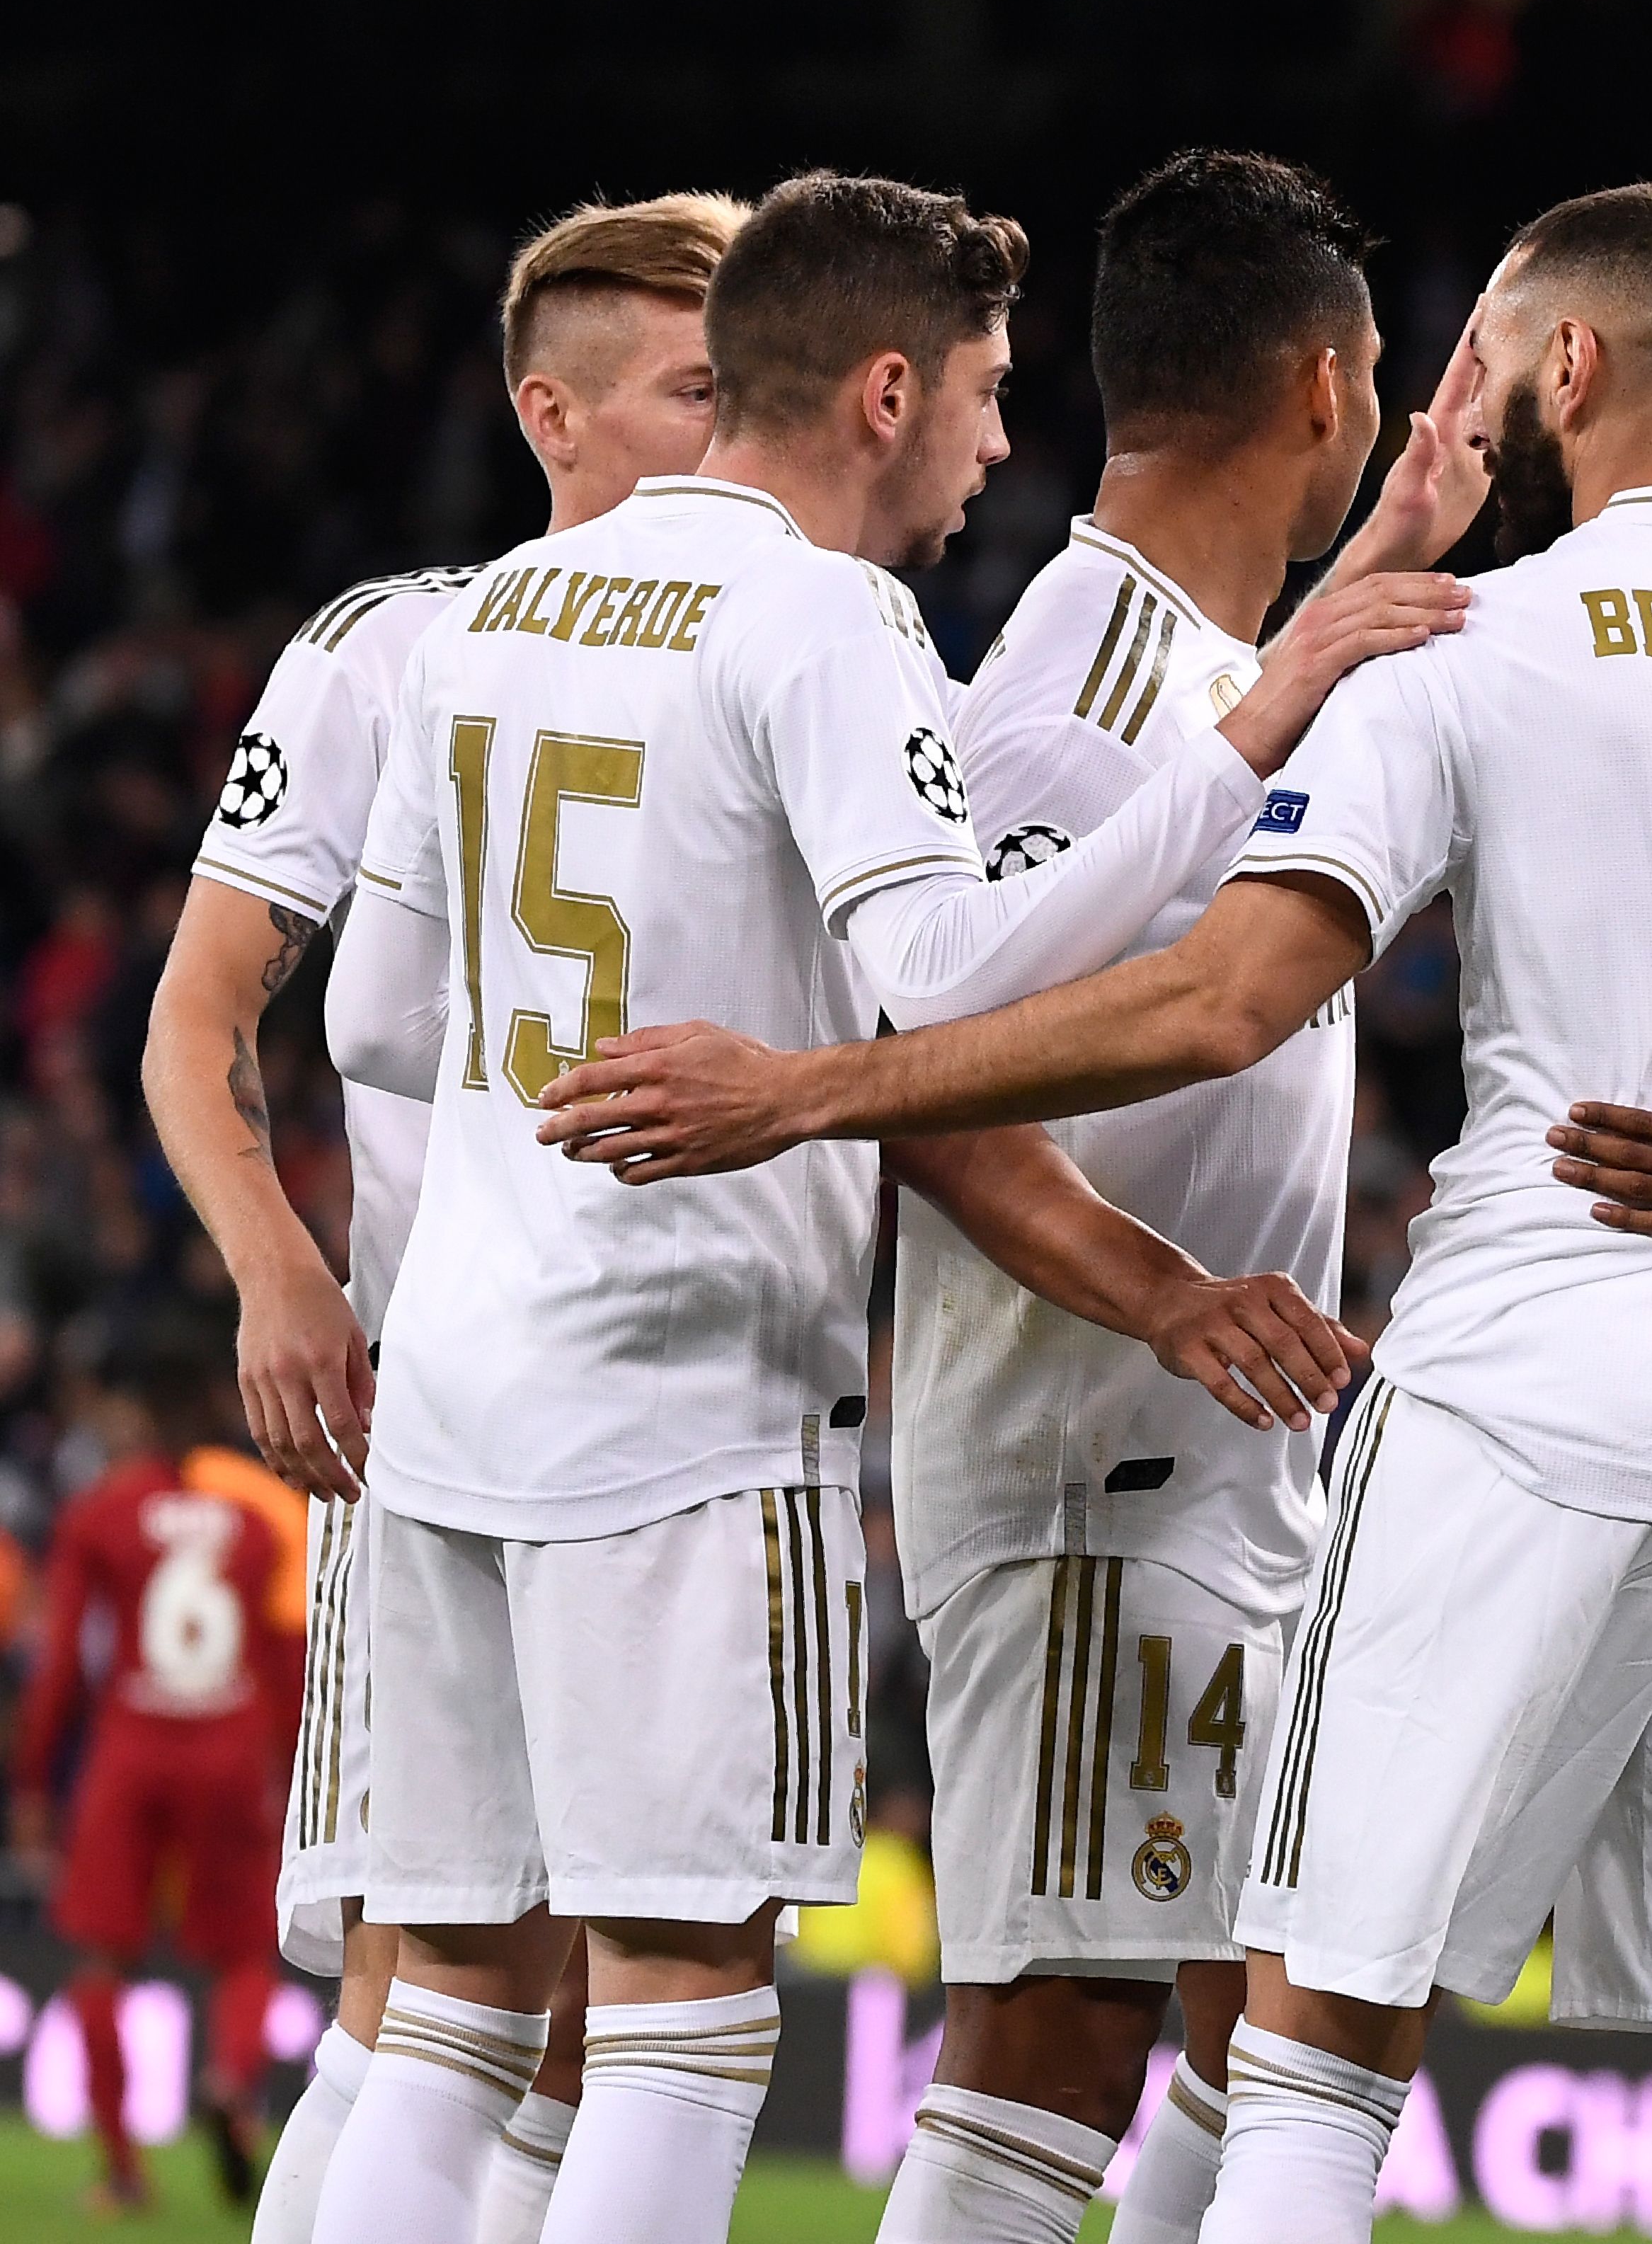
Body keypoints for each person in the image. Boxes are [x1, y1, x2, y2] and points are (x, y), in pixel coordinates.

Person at [522, 181, 1652, 2244]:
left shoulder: (1473, 639)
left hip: (1513, 1420)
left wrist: (817, 1084)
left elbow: (1220, 998)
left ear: (1567, 369)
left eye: (1480, 344)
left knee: (1305, 2049)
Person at [299, 170, 1456, 2244]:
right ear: (886, 386)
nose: (1000, 445)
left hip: (454, 1380)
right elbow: (952, 990)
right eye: (987, 396)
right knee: (675, 2012)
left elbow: (381, 1018)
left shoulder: (487, 612)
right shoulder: (824, 619)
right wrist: (1248, 737)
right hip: (681, 1396)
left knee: (455, 2005)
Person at [870, 150, 1474, 2244]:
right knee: (1053, 2039)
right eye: (1379, 377)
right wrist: (1155, 1295)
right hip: (1087, 1465)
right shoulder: (1076, 687)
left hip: (1189, 1475)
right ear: (1322, 383)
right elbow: (926, 1081)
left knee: (1281, 2016)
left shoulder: (1202, 659)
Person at [139, 187, 746, 2244]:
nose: (727, 423)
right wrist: (283, 1275)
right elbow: (202, 1015)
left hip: (663, 1385)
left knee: (530, 1995)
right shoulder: (395, 640)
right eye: (689, 384)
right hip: (459, 1393)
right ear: (545, 412)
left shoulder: (795, 627)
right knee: (466, 1978)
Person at [9, 1350, 292, 2212]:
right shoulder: (255, 1527)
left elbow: (62, 1662)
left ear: (136, 1422)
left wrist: (32, 1781)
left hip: (131, 1748)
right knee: (245, 1953)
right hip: (231, 1745)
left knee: (100, 1959)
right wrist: (282, 1769)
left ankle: (124, 2171)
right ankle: (233, 2089)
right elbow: (286, 1662)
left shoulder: (100, 1515)